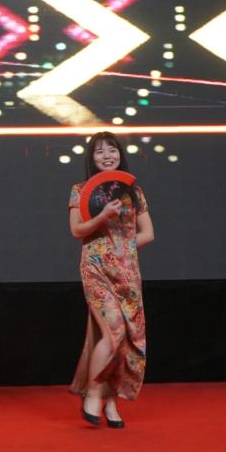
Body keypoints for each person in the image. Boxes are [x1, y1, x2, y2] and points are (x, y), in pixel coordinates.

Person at [68, 131, 153, 428]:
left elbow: (147, 233)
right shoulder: (80, 191)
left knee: (125, 339)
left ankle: (112, 402)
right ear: (91, 158)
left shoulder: (134, 192)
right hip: (96, 269)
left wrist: (123, 246)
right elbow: (77, 231)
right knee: (114, 330)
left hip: (127, 274)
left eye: (112, 150)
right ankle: (93, 393)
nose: (107, 156)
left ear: (120, 154)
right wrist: (102, 217)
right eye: (100, 151)